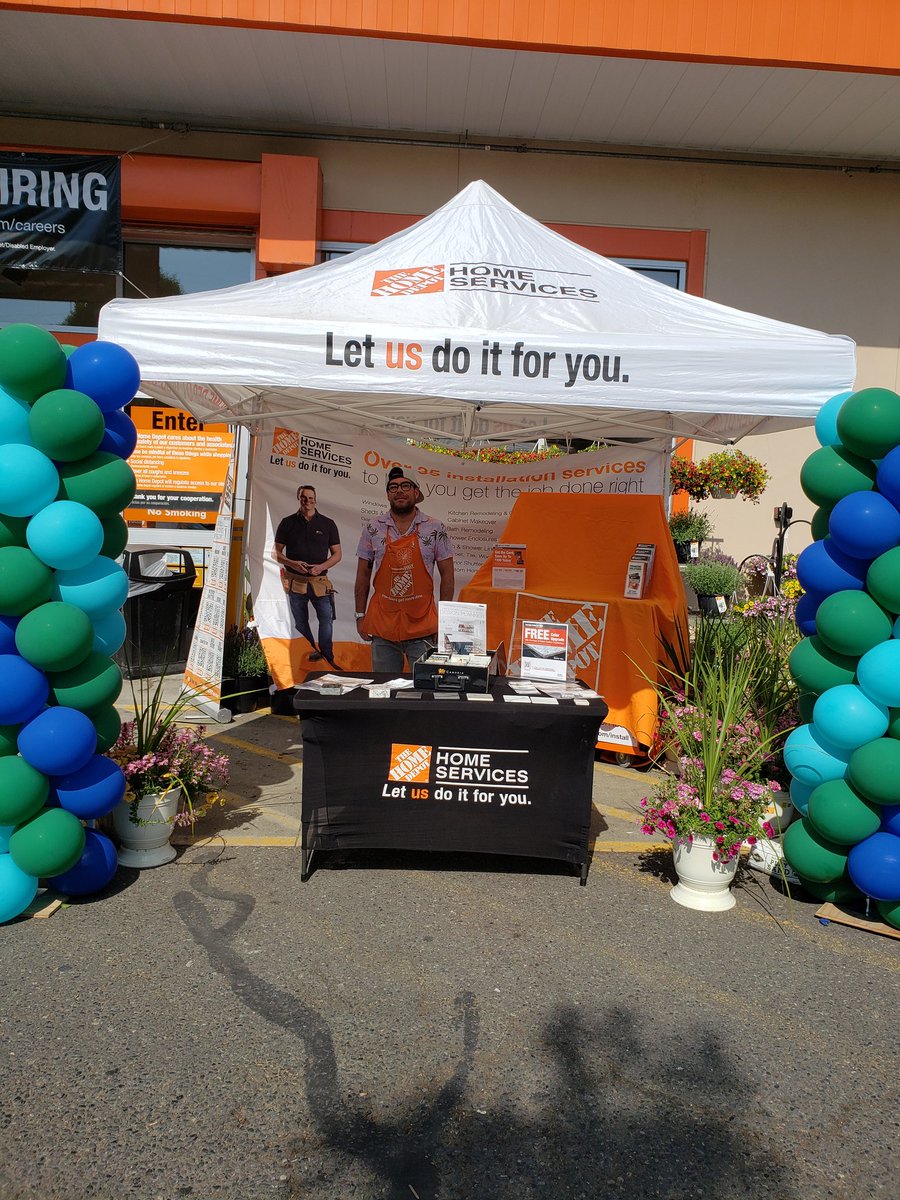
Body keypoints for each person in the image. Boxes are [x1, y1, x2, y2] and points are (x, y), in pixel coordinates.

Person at [354, 466, 455, 672]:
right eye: (393, 487)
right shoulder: (373, 528)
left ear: (416, 492)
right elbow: (363, 574)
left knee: (426, 690)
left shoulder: (435, 528)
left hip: (423, 629)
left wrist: (444, 622)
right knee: (384, 691)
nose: (399, 491)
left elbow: (448, 575)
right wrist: (359, 615)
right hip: (382, 627)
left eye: (405, 486)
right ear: (388, 494)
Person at [274, 483, 342, 667]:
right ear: (299, 498)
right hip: (296, 580)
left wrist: (321, 567)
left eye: (311, 498)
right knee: (300, 620)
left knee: (326, 619)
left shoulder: (328, 524)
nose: (308, 501)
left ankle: (327, 656)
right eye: (304, 497)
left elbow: (337, 554)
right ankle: (311, 649)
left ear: (315, 500)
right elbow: (276, 552)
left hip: (320, 581)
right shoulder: (287, 522)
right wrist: (292, 563)